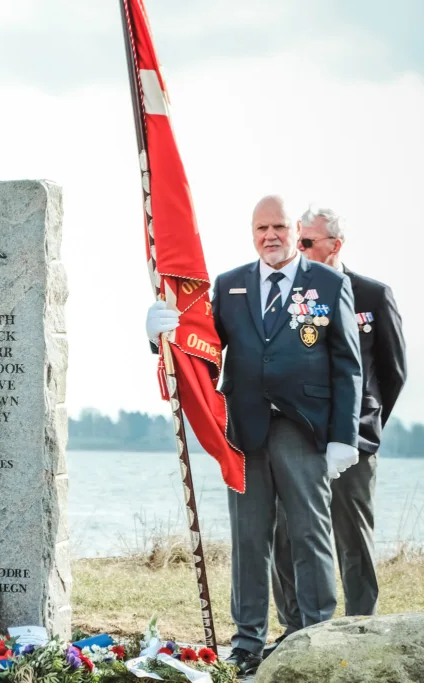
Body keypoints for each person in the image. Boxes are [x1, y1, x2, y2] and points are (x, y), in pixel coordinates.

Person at [145, 195, 362, 676]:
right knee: (248, 538)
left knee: (309, 532)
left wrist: (344, 436)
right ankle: (246, 643)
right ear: (252, 233)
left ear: (295, 230)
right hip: (244, 430)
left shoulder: (328, 282)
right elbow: (203, 345)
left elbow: (348, 364)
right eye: (262, 228)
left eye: (279, 227)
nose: (271, 236)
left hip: (304, 427)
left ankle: (316, 636)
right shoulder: (229, 285)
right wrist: (160, 333)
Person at [269, 207, 407, 649]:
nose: (299, 249)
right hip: (300, 438)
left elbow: (393, 372)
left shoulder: (372, 295)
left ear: (336, 245)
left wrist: (365, 427)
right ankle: (294, 632)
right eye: (298, 241)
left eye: (307, 243)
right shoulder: (291, 294)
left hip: (353, 442)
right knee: (288, 536)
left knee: (353, 540)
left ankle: (360, 633)